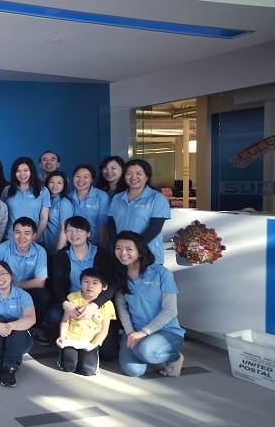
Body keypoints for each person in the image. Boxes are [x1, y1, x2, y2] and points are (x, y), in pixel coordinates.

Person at [112, 232, 185, 377]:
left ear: (140, 252)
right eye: (118, 248)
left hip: (167, 331)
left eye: (129, 249)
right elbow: (121, 307)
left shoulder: (162, 273)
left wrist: (143, 333)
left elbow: (170, 310)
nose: (123, 253)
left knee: (145, 351)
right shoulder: (119, 275)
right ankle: (146, 350)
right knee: (133, 371)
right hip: (134, 329)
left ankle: (175, 357)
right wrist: (130, 332)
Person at [0, 217, 52, 344]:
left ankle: (33, 327)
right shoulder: (2, 248)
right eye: (18, 232)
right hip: (2, 289)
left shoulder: (40, 251)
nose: (21, 237)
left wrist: (13, 287)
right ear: (12, 233)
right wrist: (1, 289)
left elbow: (40, 282)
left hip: (25, 290)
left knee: (43, 296)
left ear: (34, 235)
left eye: (27, 233)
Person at [0, 261, 35, 387]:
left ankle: (10, 368)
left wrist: (10, 326)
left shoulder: (23, 295)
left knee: (19, 323)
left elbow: (31, 318)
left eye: (3, 273)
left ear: (11, 275)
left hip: (19, 341)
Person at [107, 159, 172, 264]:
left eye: (139, 173)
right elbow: (111, 224)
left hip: (148, 254)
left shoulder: (157, 198)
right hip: (122, 256)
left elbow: (155, 228)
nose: (133, 177)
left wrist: (135, 248)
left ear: (147, 176)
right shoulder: (117, 198)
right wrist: (119, 247)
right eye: (129, 173)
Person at [56, 268, 113, 376]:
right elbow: (65, 321)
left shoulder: (107, 304)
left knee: (88, 370)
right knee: (69, 367)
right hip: (71, 339)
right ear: (81, 283)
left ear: (104, 287)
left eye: (95, 283)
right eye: (86, 281)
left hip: (89, 341)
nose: (90, 286)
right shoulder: (73, 298)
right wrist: (62, 336)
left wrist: (94, 344)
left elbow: (104, 329)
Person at [2, 156, 50, 240]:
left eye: (25, 170)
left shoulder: (43, 191)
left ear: (31, 171)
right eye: (18, 171)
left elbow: (44, 218)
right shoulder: (7, 190)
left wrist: (35, 239)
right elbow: (1, 214)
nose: (22, 174)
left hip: (33, 238)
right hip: (9, 238)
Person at [69, 164, 110, 247]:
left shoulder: (101, 196)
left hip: (96, 243)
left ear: (92, 179)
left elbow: (103, 222)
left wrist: (103, 246)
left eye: (86, 177)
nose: (81, 180)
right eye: (77, 176)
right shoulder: (70, 197)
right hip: (75, 243)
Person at [41, 170, 73, 256]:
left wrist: (59, 250)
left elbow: (65, 229)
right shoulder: (45, 200)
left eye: (59, 183)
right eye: (52, 182)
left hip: (58, 248)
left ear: (64, 185)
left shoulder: (64, 203)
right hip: (44, 247)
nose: (55, 185)